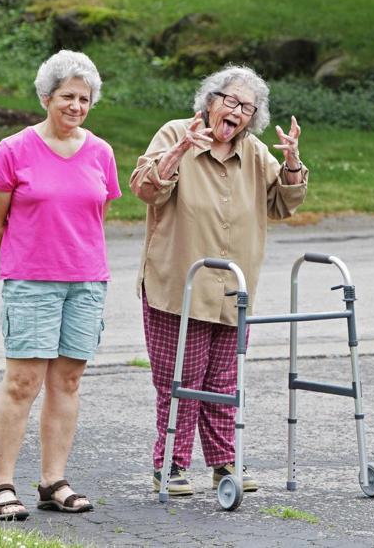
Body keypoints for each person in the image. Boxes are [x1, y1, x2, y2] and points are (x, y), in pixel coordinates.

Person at [130, 65, 308, 496]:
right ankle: (170, 465)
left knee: (224, 381)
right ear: (210, 101)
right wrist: (178, 153)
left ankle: (224, 462)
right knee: (182, 380)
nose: (238, 112)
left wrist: (291, 163)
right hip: (179, 287)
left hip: (233, 290)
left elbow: (282, 206)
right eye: (230, 100)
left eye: (247, 107)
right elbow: (144, 187)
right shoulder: (177, 132)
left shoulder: (255, 153)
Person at [0, 50, 121, 520]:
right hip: (32, 283)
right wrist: (29, 256)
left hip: (86, 282)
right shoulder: (13, 149)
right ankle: (0, 486)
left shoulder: (101, 151)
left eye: (84, 98)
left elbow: (93, 214)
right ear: (46, 97)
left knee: (68, 382)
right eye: (66, 96)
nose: (75, 106)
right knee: (22, 382)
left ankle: (52, 481)